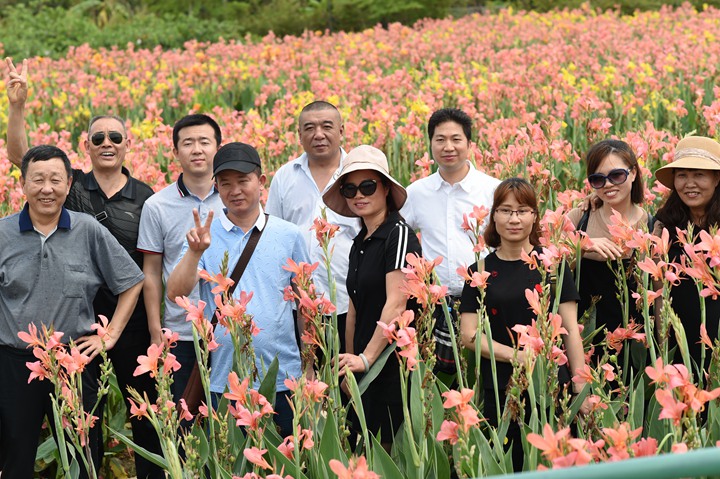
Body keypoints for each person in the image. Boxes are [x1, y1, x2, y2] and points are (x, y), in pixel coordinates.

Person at [5, 57, 162, 478]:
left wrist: (146, 329)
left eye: (116, 137)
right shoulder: (72, 186)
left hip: (122, 324)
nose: (107, 143)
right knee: (50, 437)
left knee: (137, 423)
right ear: (86, 145)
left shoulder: (146, 196)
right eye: (98, 137)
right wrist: (17, 107)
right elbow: (22, 156)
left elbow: (149, 267)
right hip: (69, 326)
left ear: (128, 144)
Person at [0, 145, 144, 478]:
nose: (46, 189)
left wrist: (110, 335)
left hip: (74, 362)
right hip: (14, 363)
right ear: (23, 185)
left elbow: (132, 281)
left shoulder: (87, 229)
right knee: (13, 457)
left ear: (68, 184)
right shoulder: (3, 233)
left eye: (55, 180)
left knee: (83, 455)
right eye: (38, 180)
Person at [166, 142, 309, 438]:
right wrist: (194, 252)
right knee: (230, 457)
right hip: (223, 381)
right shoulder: (204, 236)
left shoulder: (290, 235)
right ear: (216, 187)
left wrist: (308, 366)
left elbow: (305, 306)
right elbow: (175, 293)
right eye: (226, 183)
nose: (235, 190)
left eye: (243, 181)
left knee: (286, 457)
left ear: (261, 181)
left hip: (283, 378)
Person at [458, 177, 589, 471]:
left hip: (551, 383)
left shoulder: (553, 265)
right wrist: (516, 355)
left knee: (553, 462)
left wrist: (580, 387)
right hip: (501, 388)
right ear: (494, 217)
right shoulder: (479, 271)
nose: (514, 219)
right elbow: (468, 335)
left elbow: (570, 331)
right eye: (505, 210)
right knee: (510, 463)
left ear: (534, 216)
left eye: (522, 211)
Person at [323, 145, 422, 447]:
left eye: (368, 186)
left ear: (386, 189)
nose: (359, 195)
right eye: (350, 189)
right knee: (362, 449)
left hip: (391, 363)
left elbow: (397, 302)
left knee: (387, 450)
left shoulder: (398, 234)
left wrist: (366, 359)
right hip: (364, 365)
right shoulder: (359, 242)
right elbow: (354, 307)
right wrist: (350, 364)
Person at [400, 108, 500, 373]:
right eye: (440, 139)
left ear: (470, 144)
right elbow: (396, 235)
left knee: (484, 376)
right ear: (431, 143)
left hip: (484, 298)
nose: (448, 147)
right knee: (437, 378)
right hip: (436, 304)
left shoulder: (493, 189)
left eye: (456, 139)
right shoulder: (416, 193)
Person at [137, 114, 224, 401]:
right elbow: (151, 273)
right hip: (180, 334)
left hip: (228, 331)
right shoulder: (156, 205)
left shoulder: (235, 199)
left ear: (218, 148)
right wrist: (155, 331)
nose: (197, 150)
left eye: (204, 142)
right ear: (175, 152)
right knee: (184, 417)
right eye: (188, 143)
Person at [265, 100, 360, 355]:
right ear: (299, 135)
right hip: (297, 306)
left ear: (341, 131)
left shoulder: (357, 173)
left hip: (349, 303)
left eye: (327, 126)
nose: (318, 134)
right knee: (305, 373)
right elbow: (272, 237)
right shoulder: (285, 176)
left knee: (346, 374)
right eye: (309, 128)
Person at [566, 140, 651, 362]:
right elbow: (551, 264)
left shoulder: (652, 226)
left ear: (633, 173)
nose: (608, 184)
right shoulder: (580, 217)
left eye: (617, 175)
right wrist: (582, 245)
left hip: (636, 345)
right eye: (598, 179)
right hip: (584, 341)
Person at [653, 136, 720, 371]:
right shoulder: (663, 225)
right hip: (679, 344)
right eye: (682, 175)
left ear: (716, 179)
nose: (689, 184)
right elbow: (659, 292)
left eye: (699, 174)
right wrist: (663, 346)